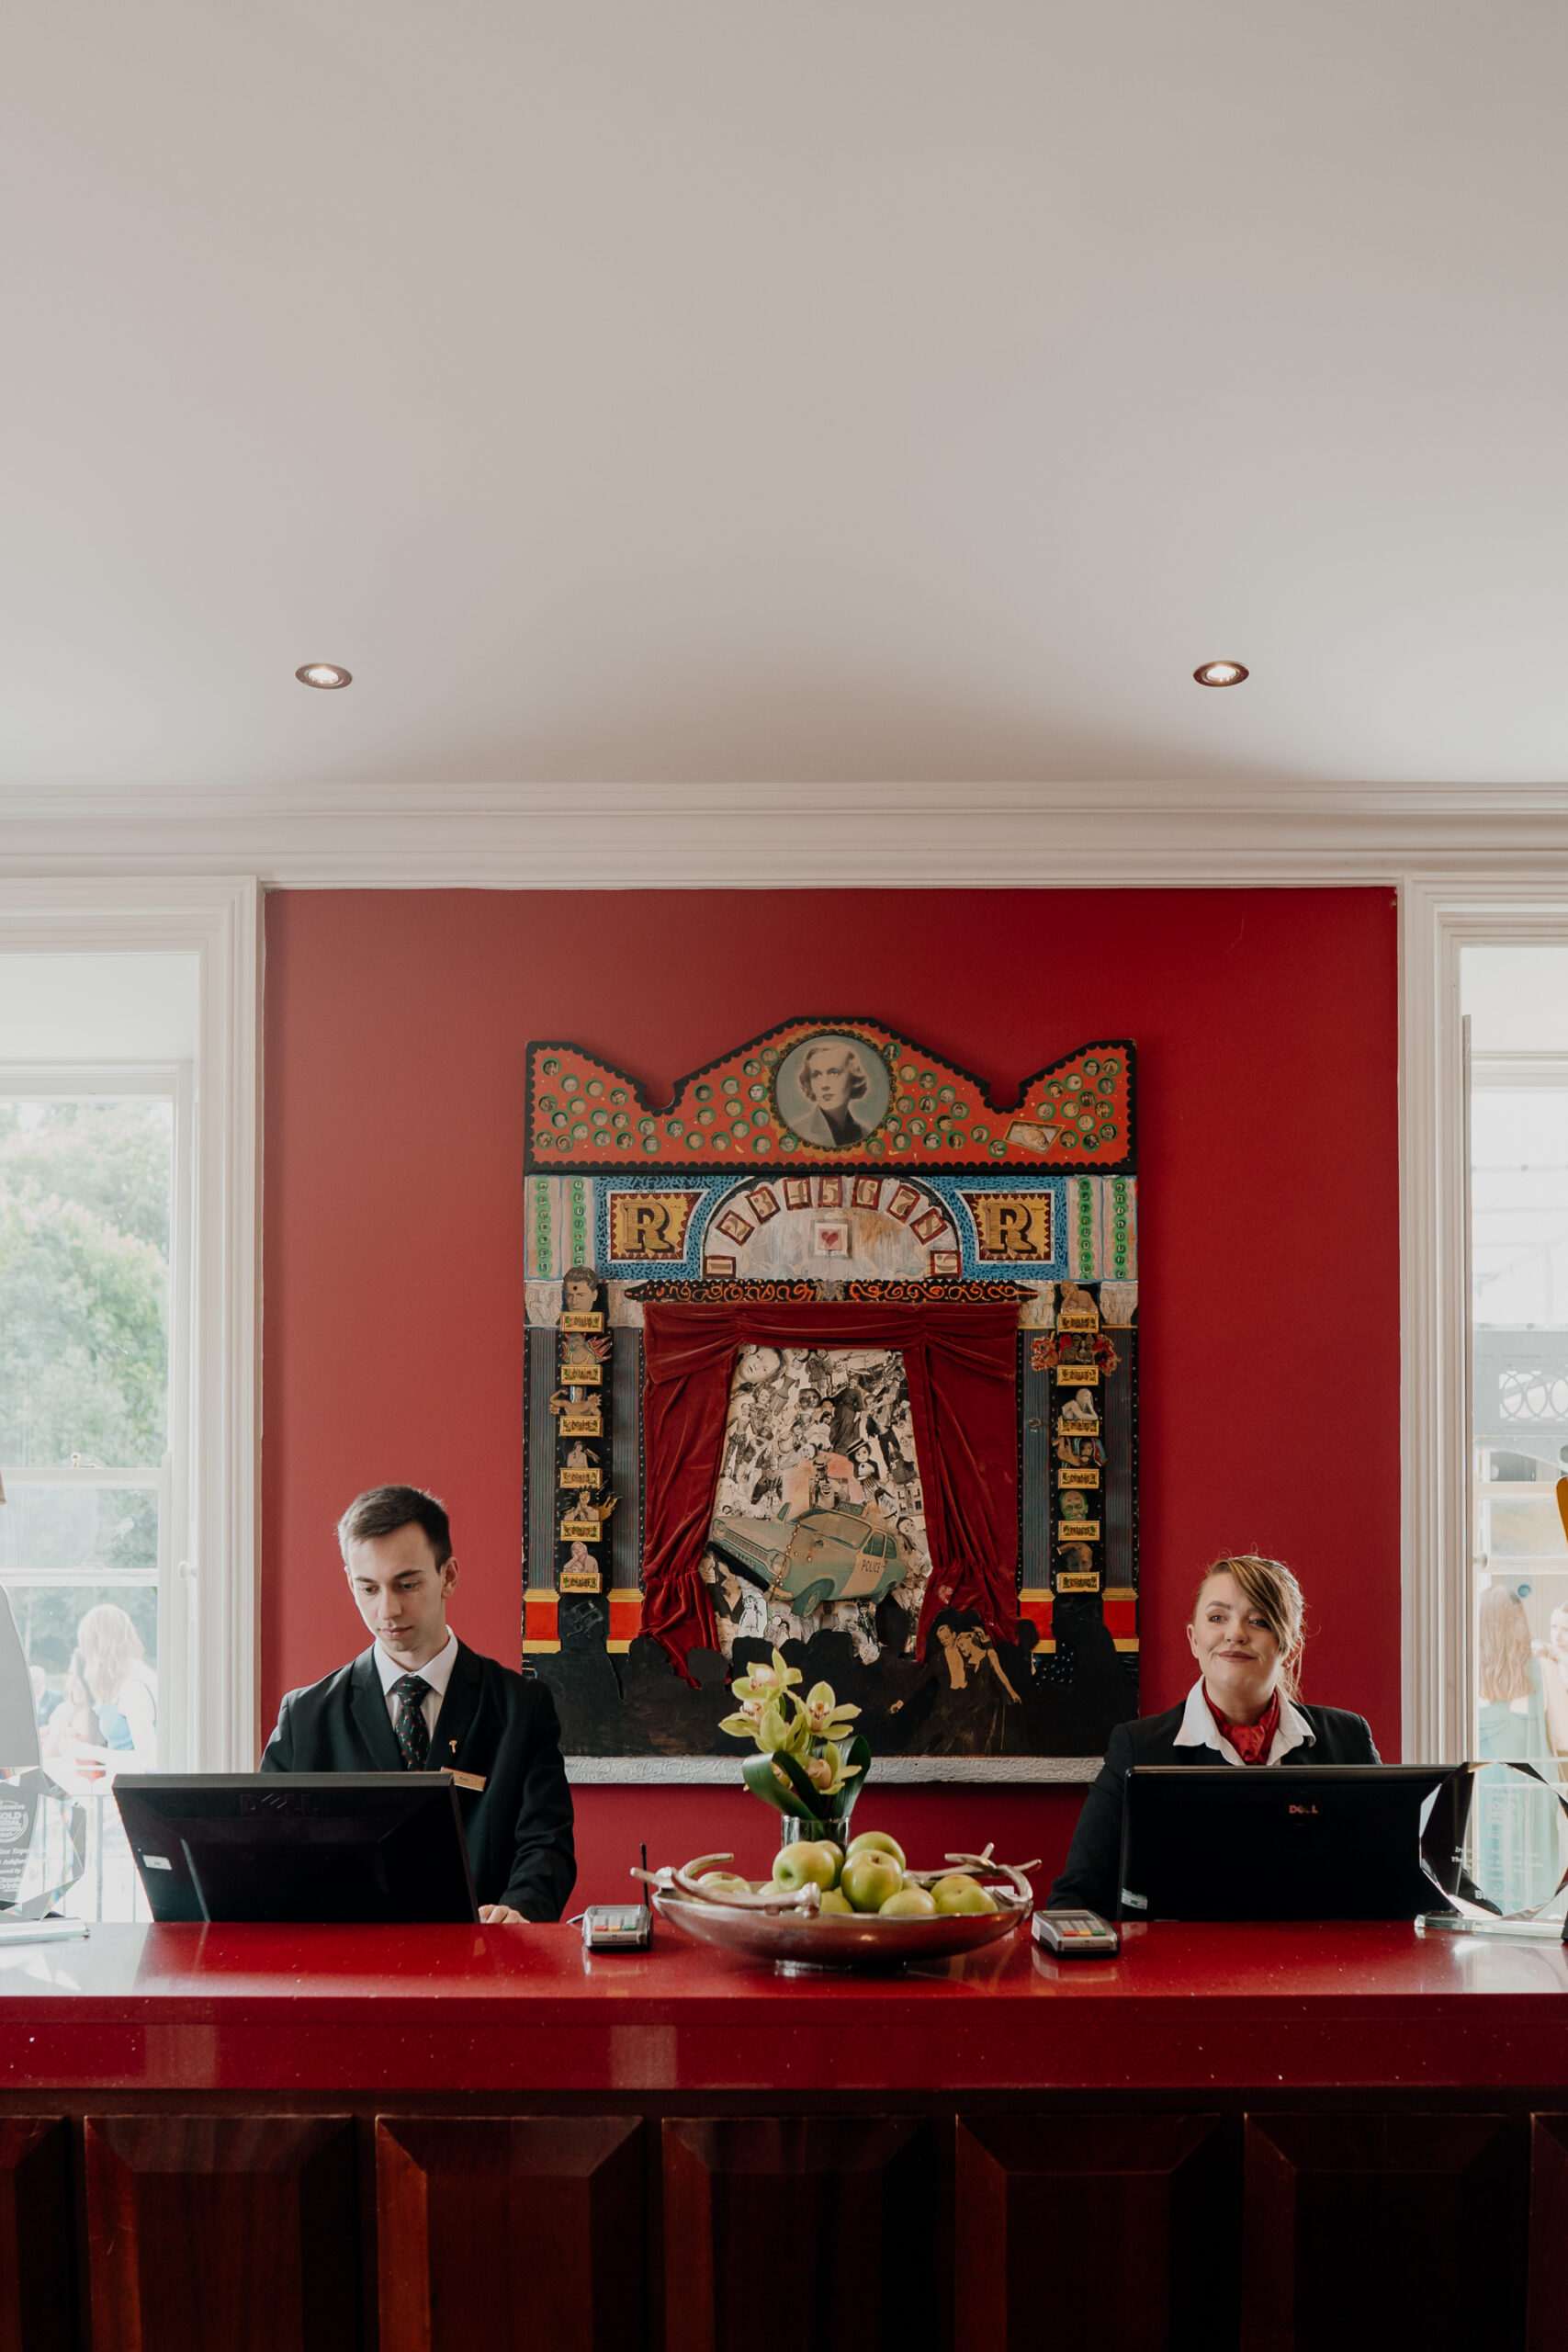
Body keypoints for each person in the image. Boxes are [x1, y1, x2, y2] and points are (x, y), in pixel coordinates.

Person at [261, 1485, 575, 1923]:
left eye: (406, 1584)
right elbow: (270, 1858)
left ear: (448, 1576)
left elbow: (547, 1845)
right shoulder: (306, 1718)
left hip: (484, 1966)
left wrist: (519, 1911)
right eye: (367, 1588)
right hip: (347, 1972)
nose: (387, 1610)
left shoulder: (522, 1707)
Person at [1048, 1554, 1379, 1917]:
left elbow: (1393, 1884)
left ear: (1290, 1647)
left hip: (1318, 1968)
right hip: (1175, 1969)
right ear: (1194, 1638)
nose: (1235, 1633)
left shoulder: (1350, 1739)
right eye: (1217, 1617)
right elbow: (1075, 1900)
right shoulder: (1136, 1747)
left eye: (1259, 1620)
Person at [1475, 1582, 1562, 1916]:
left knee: (1488, 1876)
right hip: (1531, 1797)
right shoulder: (1541, 1667)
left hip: (1484, 1795)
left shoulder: (1467, 1673)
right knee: (1535, 1889)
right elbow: (1563, 1738)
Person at [78, 1603, 159, 1767]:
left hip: (134, 1789)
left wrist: (89, 1752)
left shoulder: (133, 1689)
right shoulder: (133, 1677)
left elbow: (149, 1759)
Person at [793, 1041, 876, 1151]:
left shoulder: (866, 1133)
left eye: (834, 1072)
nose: (824, 1085)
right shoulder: (797, 1132)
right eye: (816, 1075)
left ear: (853, 1078)